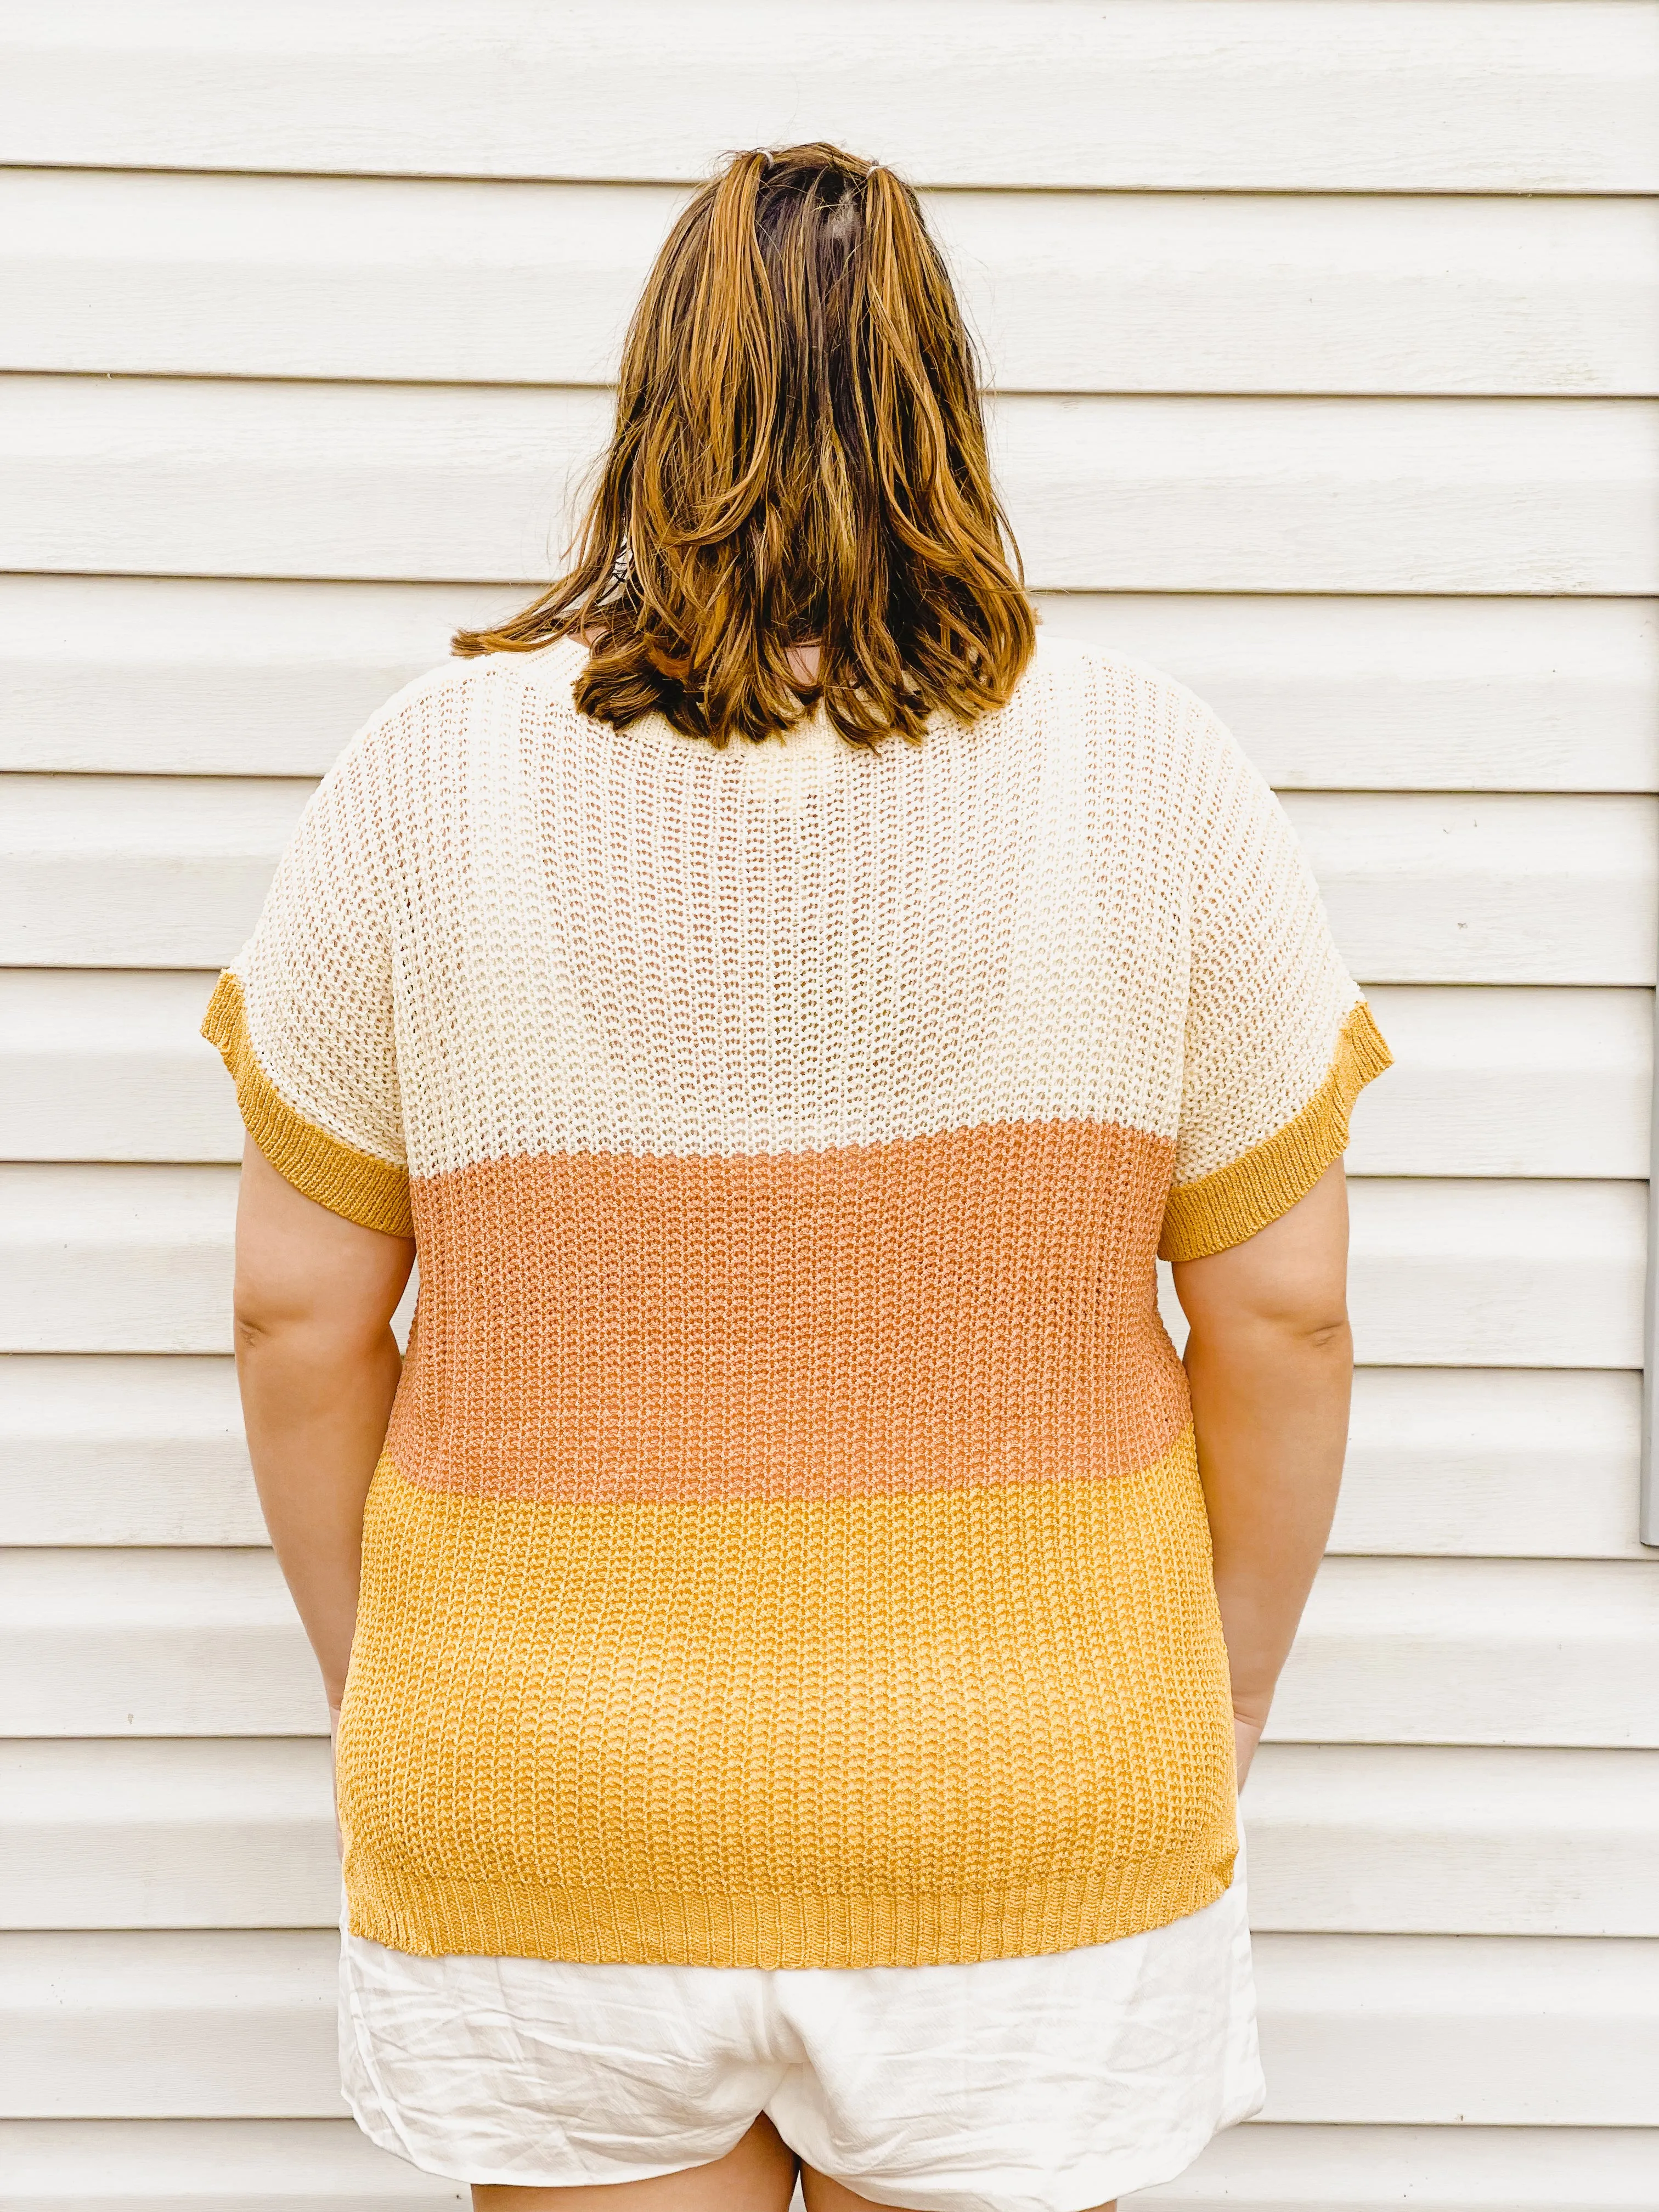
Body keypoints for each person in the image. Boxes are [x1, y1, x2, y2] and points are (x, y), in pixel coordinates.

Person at [208, 143, 1390, 2212]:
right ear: (947, 405)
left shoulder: (426, 773)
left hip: (546, 1774)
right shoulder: (1154, 773)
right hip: (1030, 1776)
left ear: (658, 412)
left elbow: (296, 1312)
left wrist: (396, 1677)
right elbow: (1281, 1314)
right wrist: (1225, 1695)